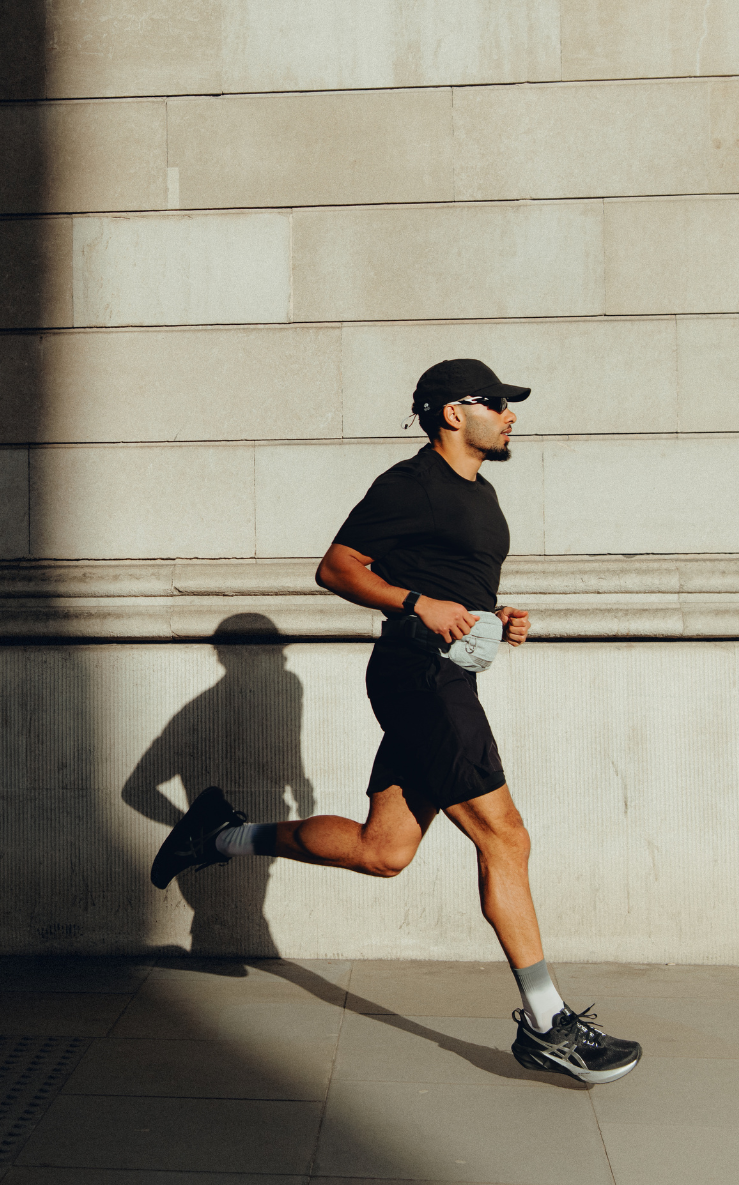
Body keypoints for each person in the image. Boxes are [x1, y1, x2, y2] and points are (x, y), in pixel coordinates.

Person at [150, 358, 642, 1085]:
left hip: (445, 680)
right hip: (420, 682)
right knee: (506, 836)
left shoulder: (482, 496)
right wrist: (414, 604)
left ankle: (219, 832)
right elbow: (337, 567)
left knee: (383, 851)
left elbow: (456, 595)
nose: (511, 414)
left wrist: (494, 620)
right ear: (452, 412)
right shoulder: (408, 485)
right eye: (496, 402)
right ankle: (547, 1023)